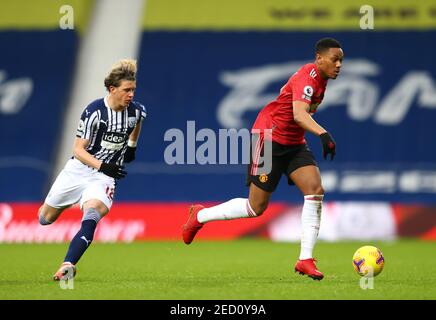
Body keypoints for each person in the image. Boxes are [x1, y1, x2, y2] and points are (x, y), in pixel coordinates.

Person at [182, 38, 344, 280]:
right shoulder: (307, 77)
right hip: (267, 139)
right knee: (255, 207)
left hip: (293, 143)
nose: (339, 65)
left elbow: (298, 117)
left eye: (341, 60)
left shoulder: (322, 80)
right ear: (319, 58)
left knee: (315, 190)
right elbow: (299, 114)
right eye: (335, 59)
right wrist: (323, 134)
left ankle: (305, 259)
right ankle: (200, 215)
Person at [38, 59, 147, 281]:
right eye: (127, 90)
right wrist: (102, 164)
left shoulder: (135, 111)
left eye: (133, 90)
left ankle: (68, 264)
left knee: (93, 212)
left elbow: (138, 122)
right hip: (78, 170)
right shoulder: (95, 112)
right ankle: (71, 200)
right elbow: (78, 149)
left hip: (104, 178)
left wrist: (132, 147)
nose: (131, 95)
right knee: (45, 218)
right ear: (112, 89)